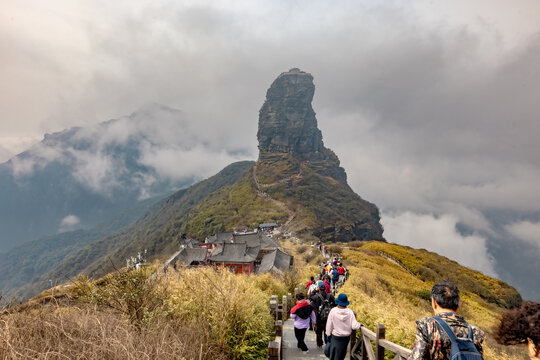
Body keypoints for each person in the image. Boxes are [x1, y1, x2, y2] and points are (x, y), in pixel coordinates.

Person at [408, 280, 484, 360]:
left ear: (434, 302)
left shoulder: (427, 325)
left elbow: (416, 358)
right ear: (457, 306)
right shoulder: (476, 332)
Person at [325, 293, 361, 360]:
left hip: (335, 337)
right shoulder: (350, 312)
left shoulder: (333, 311)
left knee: (333, 354)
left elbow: (329, 324)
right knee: (341, 355)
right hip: (345, 338)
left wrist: (328, 334)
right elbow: (354, 326)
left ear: (338, 302)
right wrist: (359, 325)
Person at [310, 283, 335, 348]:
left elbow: (310, 296)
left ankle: (319, 344)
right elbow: (335, 303)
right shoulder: (330, 296)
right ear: (325, 289)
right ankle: (327, 343)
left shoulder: (317, 296)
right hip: (328, 317)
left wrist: (315, 290)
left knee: (319, 331)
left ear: (319, 289)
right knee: (327, 330)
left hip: (319, 317)